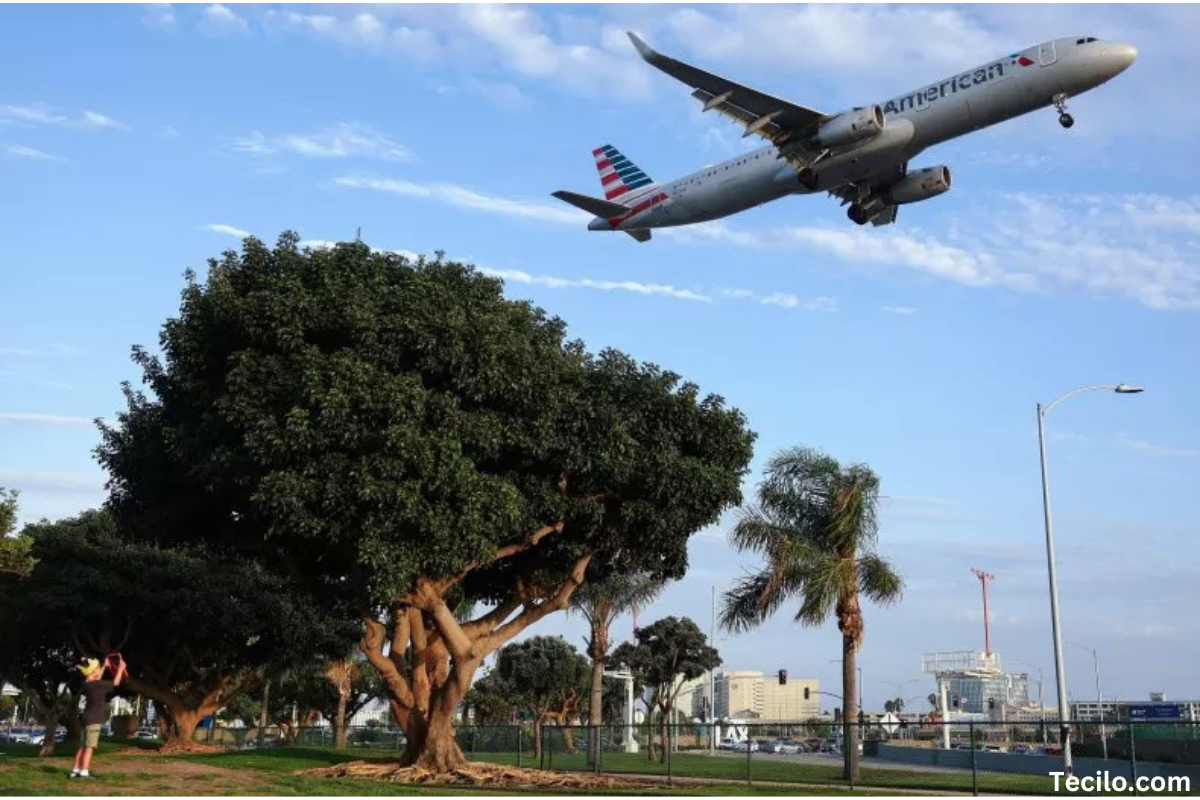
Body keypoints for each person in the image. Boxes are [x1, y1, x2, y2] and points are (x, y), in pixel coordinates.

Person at [70, 653, 126, 779]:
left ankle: (75, 770)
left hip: (86, 718)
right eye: (98, 667)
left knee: (82, 746)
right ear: (94, 671)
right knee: (90, 747)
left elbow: (96, 676)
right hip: (94, 719)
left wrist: (105, 667)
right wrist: (121, 669)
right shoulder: (98, 685)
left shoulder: (87, 684)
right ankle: (84, 772)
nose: (99, 669)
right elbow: (116, 683)